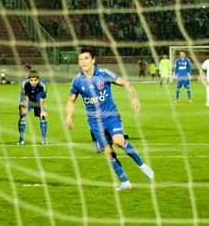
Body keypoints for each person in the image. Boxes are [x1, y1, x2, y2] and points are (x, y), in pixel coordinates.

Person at [65, 47, 154, 191]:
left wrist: (135, 97)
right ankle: (125, 182)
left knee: (119, 142)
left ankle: (143, 166)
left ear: (93, 60)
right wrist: (68, 116)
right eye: (81, 59)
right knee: (109, 152)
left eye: (86, 58)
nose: (84, 61)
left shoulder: (104, 74)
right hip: (94, 122)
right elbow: (71, 101)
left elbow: (124, 83)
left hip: (111, 116)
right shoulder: (77, 81)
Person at [18, 70, 48, 145]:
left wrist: (42, 111)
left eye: (35, 80)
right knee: (22, 116)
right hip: (27, 99)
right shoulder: (24, 84)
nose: (33, 82)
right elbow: (26, 96)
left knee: (43, 117)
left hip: (38, 100)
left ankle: (44, 140)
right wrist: (24, 107)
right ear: (29, 79)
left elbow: (42, 99)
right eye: (31, 80)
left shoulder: (43, 85)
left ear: (38, 79)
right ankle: (21, 140)